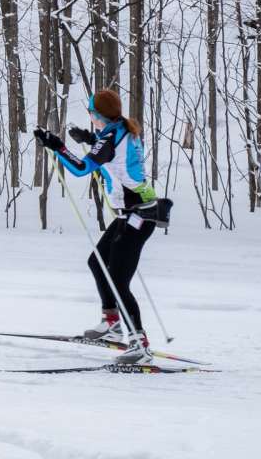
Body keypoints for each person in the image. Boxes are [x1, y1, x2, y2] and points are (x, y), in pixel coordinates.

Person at [34, 89, 169, 365]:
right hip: (128, 215)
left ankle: (139, 343)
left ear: (99, 115)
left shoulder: (110, 135)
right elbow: (110, 149)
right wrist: (88, 138)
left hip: (140, 215)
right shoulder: (118, 128)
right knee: (97, 262)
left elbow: (82, 168)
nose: (91, 118)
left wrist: (57, 146)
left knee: (119, 281)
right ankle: (112, 322)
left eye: (92, 114)